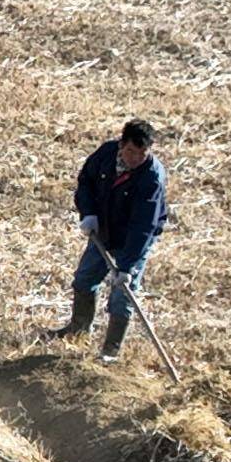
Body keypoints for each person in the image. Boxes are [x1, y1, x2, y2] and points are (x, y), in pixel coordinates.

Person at [69, 120, 171, 356]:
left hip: (133, 242)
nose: (135, 158)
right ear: (121, 144)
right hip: (104, 231)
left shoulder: (151, 178)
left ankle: (110, 351)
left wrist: (126, 266)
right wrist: (89, 213)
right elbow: (85, 182)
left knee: (122, 295)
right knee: (84, 278)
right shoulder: (106, 154)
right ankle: (79, 330)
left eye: (141, 153)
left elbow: (143, 226)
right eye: (130, 152)